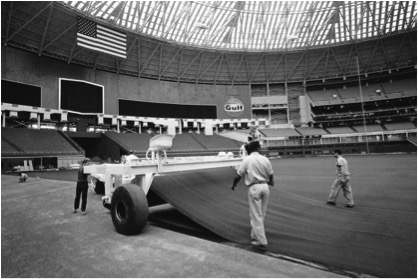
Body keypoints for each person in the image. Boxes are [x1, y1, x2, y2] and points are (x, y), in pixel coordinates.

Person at [231, 141, 274, 249]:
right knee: (261, 214)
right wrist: (271, 183)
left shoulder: (247, 159)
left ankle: (262, 242)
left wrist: (234, 185)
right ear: (258, 148)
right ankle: (254, 237)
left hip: (254, 188)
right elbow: (271, 176)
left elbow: (238, 175)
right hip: (265, 186)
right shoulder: (265, 159)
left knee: (256, 216)